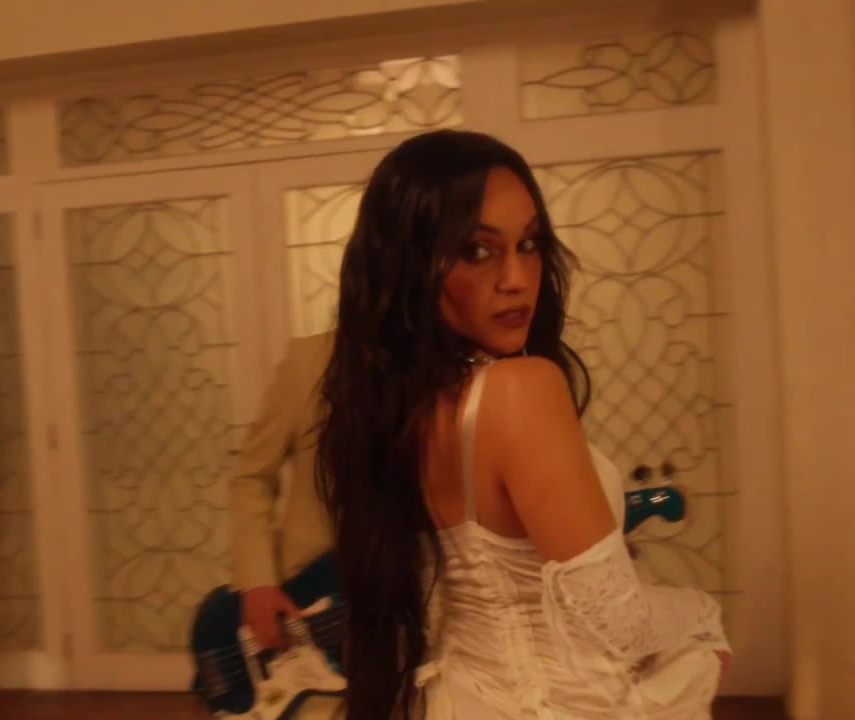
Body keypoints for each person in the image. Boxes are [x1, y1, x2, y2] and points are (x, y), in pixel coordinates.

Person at [315, 130, 730, 720]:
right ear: (411, 266)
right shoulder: (520, 389)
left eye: (529, 244)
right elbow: (620, 623)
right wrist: (703, 615)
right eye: (477, 251)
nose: (516, 277)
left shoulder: (395, 411)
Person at [230, 330, 333, 648]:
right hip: (310, 594)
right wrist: (258, 582)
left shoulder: (450, 371)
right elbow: (253, 477)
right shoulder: (309, 362)